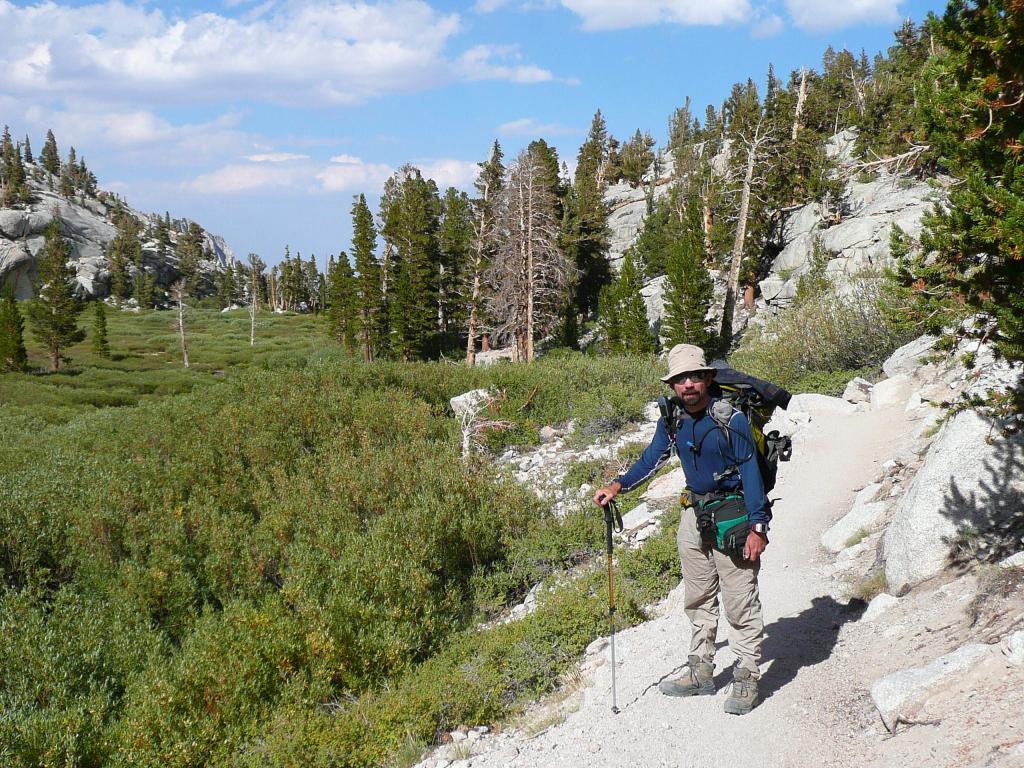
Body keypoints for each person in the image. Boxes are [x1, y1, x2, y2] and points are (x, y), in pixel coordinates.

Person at [593, 343, 770, 715]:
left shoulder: (729, 418)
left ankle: (747, 676)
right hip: (695, 513)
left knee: (740, 599)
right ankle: (701, 670)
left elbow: (751, 472)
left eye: (694, 376)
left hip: (734, 515)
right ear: (673, 384)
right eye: (680, 379)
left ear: (707, 378)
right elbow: (651, 458)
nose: (688, 384)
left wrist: (758, 526)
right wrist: (618, 486)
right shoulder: (672, 419)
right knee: (698, 595)